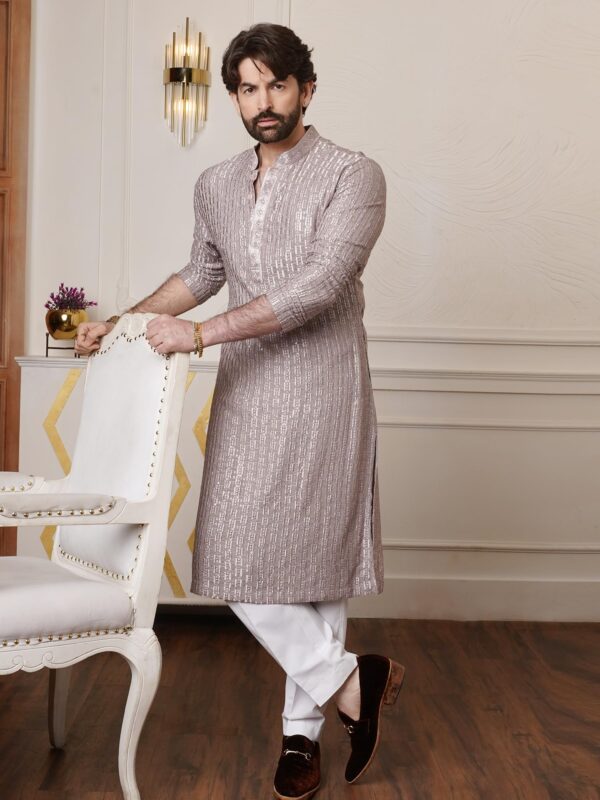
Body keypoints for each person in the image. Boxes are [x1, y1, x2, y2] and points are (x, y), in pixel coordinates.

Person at [76, 23, 405, 800]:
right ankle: (351, 682)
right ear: (232, 97)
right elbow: (200, 272)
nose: (264, 102)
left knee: (315, 559)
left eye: (277, 85)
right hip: (249, 385)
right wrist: (123, 324)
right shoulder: (217, 184)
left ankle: (300, 737)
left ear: (306, 89)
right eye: (249, 89)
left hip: (325, 386)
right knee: (232, 553)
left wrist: (199, 335)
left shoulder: (353, 175)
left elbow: (319, 286)